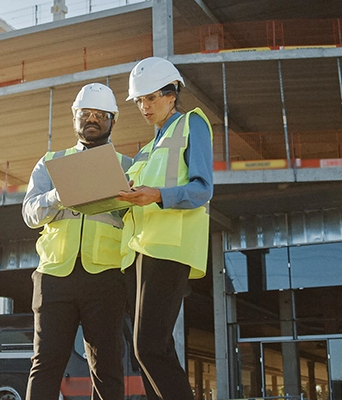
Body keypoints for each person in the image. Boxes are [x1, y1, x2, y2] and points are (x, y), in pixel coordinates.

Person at [22, 83, 135, 400]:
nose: (92, 119)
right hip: (56, 276)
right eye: (86, 113)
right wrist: (59, 195)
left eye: (100, 114)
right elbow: (30, 214)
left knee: (108, 368)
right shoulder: (50, 163)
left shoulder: (129, 167)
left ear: (113, 120)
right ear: (74, 117)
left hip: (107, 277)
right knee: (45, 366)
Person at [116, 56, 213, 400]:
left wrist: (156, 195)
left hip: (170, 247)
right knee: (149, 351)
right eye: (139, 100)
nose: (144, 106)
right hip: (139, 252)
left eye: (151, 97)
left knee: (149, 347)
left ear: (172, 94)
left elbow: (203, 189)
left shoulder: (192, 125)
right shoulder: (144, 151)